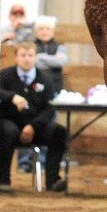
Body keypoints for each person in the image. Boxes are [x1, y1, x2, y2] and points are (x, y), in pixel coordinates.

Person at [0, 41, 68, 192]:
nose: (27, 59)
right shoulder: (6, 75)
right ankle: (4, 182)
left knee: (59, 132)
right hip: (7, 123)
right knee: (8, 130)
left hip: (34, 127)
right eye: (23, 55)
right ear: (16, 57)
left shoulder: (45, 79)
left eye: (30, 55)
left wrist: (33, 126)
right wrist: (11, 97)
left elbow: (50, 109)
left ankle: (53, 180)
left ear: (35, 57)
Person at [18, 15, 69, 172]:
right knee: (27, 123)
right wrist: (49, 59)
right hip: (31, 94)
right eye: (41, 29)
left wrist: (40, 58)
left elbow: (61, 61)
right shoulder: (31, 45)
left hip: (53, 93)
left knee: (49, 124)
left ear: (52, 31)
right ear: (36, 31)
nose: (44, 31)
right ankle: (25, 163)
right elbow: (47, 61)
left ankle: (45, 162)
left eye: (47, 28)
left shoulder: (60, 47)